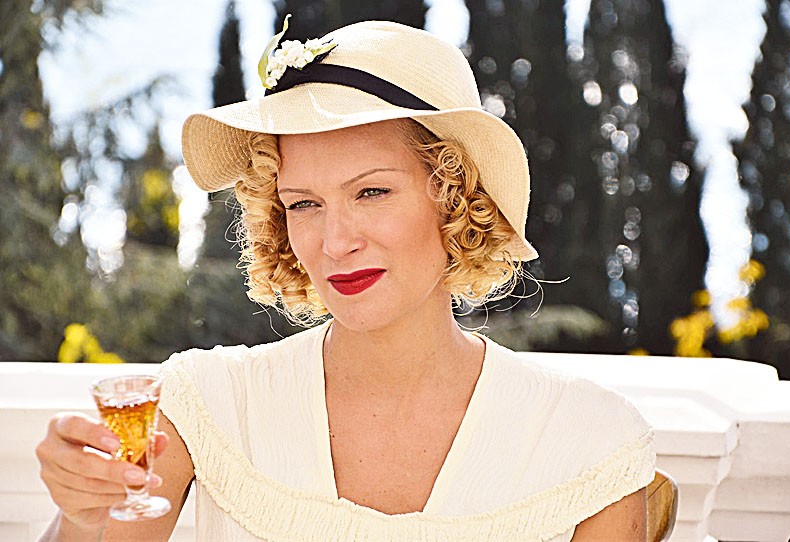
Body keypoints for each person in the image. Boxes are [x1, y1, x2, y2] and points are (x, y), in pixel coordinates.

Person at [35, 19, 655, 541]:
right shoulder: (206, 404)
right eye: (304, 204)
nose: (334, 243)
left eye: (372, 192)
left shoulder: (588, 441)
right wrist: (80, 517)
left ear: (456, 198)